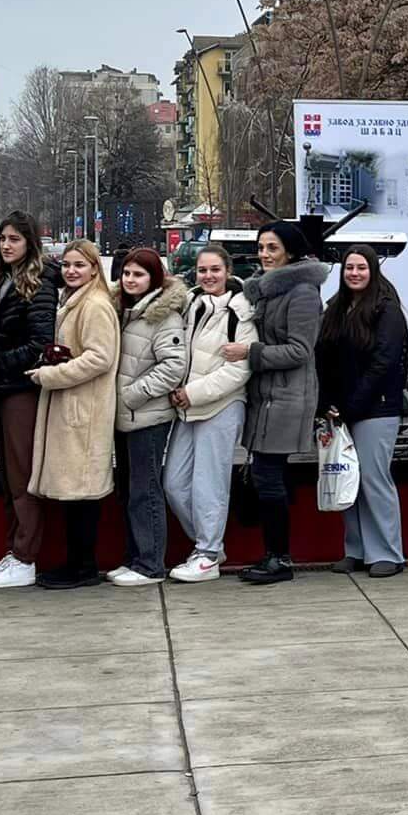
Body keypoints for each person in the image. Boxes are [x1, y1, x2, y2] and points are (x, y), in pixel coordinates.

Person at [1, 240, 120, 589]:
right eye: (67, 265)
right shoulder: (74, 301)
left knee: (81, 494)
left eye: (79, 266)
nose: (70, 271)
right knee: (73, 493)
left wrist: (50, 375)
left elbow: (99, 358)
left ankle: (82, 566)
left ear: (95, 269)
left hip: (83, 410)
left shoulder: (95, 305)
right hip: (71, 408)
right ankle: (76, 563)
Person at [236, 223, 328, 586]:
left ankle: (279, 557)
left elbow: (300, 350)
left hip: (288, 397)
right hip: (267, 395)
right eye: (260, 247)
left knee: (267, 476)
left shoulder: (302, 292)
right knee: (265, 475)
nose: (264, 254)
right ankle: (274, 554)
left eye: (272, 248)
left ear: (289, 251)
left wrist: (250, 353)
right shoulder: (267, 290)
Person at [317, 244, 408, 577]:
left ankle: (387, 552)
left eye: (361, 268)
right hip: (339, 412)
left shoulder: (387, 311)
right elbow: (324, 359)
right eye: (349, 268)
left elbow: (385, 363)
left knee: (373, 479)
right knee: (347, 480)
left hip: (376, 410)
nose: (354, 273)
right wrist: (326, 403)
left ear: (373, 271)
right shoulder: (335, 309)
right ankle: (355, 550)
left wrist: (352, 405)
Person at [161, 244, 249, 583]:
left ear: (227, 271)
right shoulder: (190, 306)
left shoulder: (241, 311)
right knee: (175, 484)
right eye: (202, 270)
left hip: (221, 406)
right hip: (187, 408)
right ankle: (209, 543)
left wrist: (191, 393)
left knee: (209, 485)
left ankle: (208, 554)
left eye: (215, 269)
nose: (208, 276)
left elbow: (237, 371)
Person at [0, 212, 61, 583]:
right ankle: (14, 549)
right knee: (7, 475)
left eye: (14, 239)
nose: (6, 245)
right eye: (2, 238)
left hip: (22, 388)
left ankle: (26, 556)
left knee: (22, 475)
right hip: (0, 386)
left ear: (30, 242)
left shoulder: (40, 280)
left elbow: (39, 343)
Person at [108, 248, 189, 585]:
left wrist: (130, 395)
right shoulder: (124, 310)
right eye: (127, 273)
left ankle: (151, 564)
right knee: (129, 490)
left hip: (148, 417)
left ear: (154, 278)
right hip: (125, 417)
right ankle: (134, 557)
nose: (130, 280)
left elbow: (173, 366)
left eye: (139, 274)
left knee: (146, 490)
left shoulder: (162, 316)